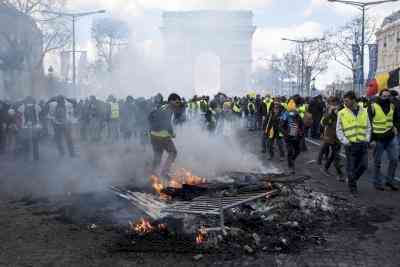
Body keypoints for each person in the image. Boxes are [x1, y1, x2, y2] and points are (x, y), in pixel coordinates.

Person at [337, 91, 371, 194]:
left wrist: (367, 139)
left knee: (364, 165)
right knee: (351, 168)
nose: (345, 103)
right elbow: (339, 129)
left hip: (362, 144)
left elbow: (368, 127)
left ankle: (352, 180)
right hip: (350, 145)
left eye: (346, 101)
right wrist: (345, 141)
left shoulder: (364, 111)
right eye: (344, 101)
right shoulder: (342, 113)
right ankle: (353, 188)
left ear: (353, 100)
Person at [367, 89, 399, 191]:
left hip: (390, 137)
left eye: (388, 96)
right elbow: (368, 124)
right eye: (384, 96)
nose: (386, 98)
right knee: (377, 161)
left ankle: (390, 181)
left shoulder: (392, 106)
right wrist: (371, 139)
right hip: (378, 139)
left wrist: (395, 127)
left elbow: (395, 119)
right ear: (380, 96)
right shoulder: (372, 106)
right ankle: (377, 182)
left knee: (394, 159)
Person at [148, 93, 181, 179]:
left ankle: (152, 175)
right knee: (173, 152)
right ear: (171, 101)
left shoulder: (162, 107)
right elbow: (167, 123)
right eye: (177, 102)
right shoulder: (168, 109)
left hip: (153, 135)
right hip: (163, 136)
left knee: (158, 155)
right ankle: (164, 172)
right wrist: (172, 133)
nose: (178, 104)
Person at [319, 96, 344, 181]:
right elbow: (323, 122)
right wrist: (330, 113)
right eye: (332, 104)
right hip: (330, 135)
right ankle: (340, 174)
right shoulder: (329, 111)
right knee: (335, 155)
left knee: (334, 155)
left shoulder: (342, 111)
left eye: (335, 104)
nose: (334, 106)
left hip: (338, 136)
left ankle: (325, 168)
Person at [279, 99, 304, 174]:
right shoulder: (285, 114)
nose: (292, 111)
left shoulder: (297, 114)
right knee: (289, 151)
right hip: (288, 137)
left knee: (298, 150)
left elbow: (301, 124)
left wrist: (301, 132)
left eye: (293, 109)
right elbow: (280, 126)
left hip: (296, 136)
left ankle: (292, 160)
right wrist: (286, 133)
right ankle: (291, 167)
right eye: (291, 109)